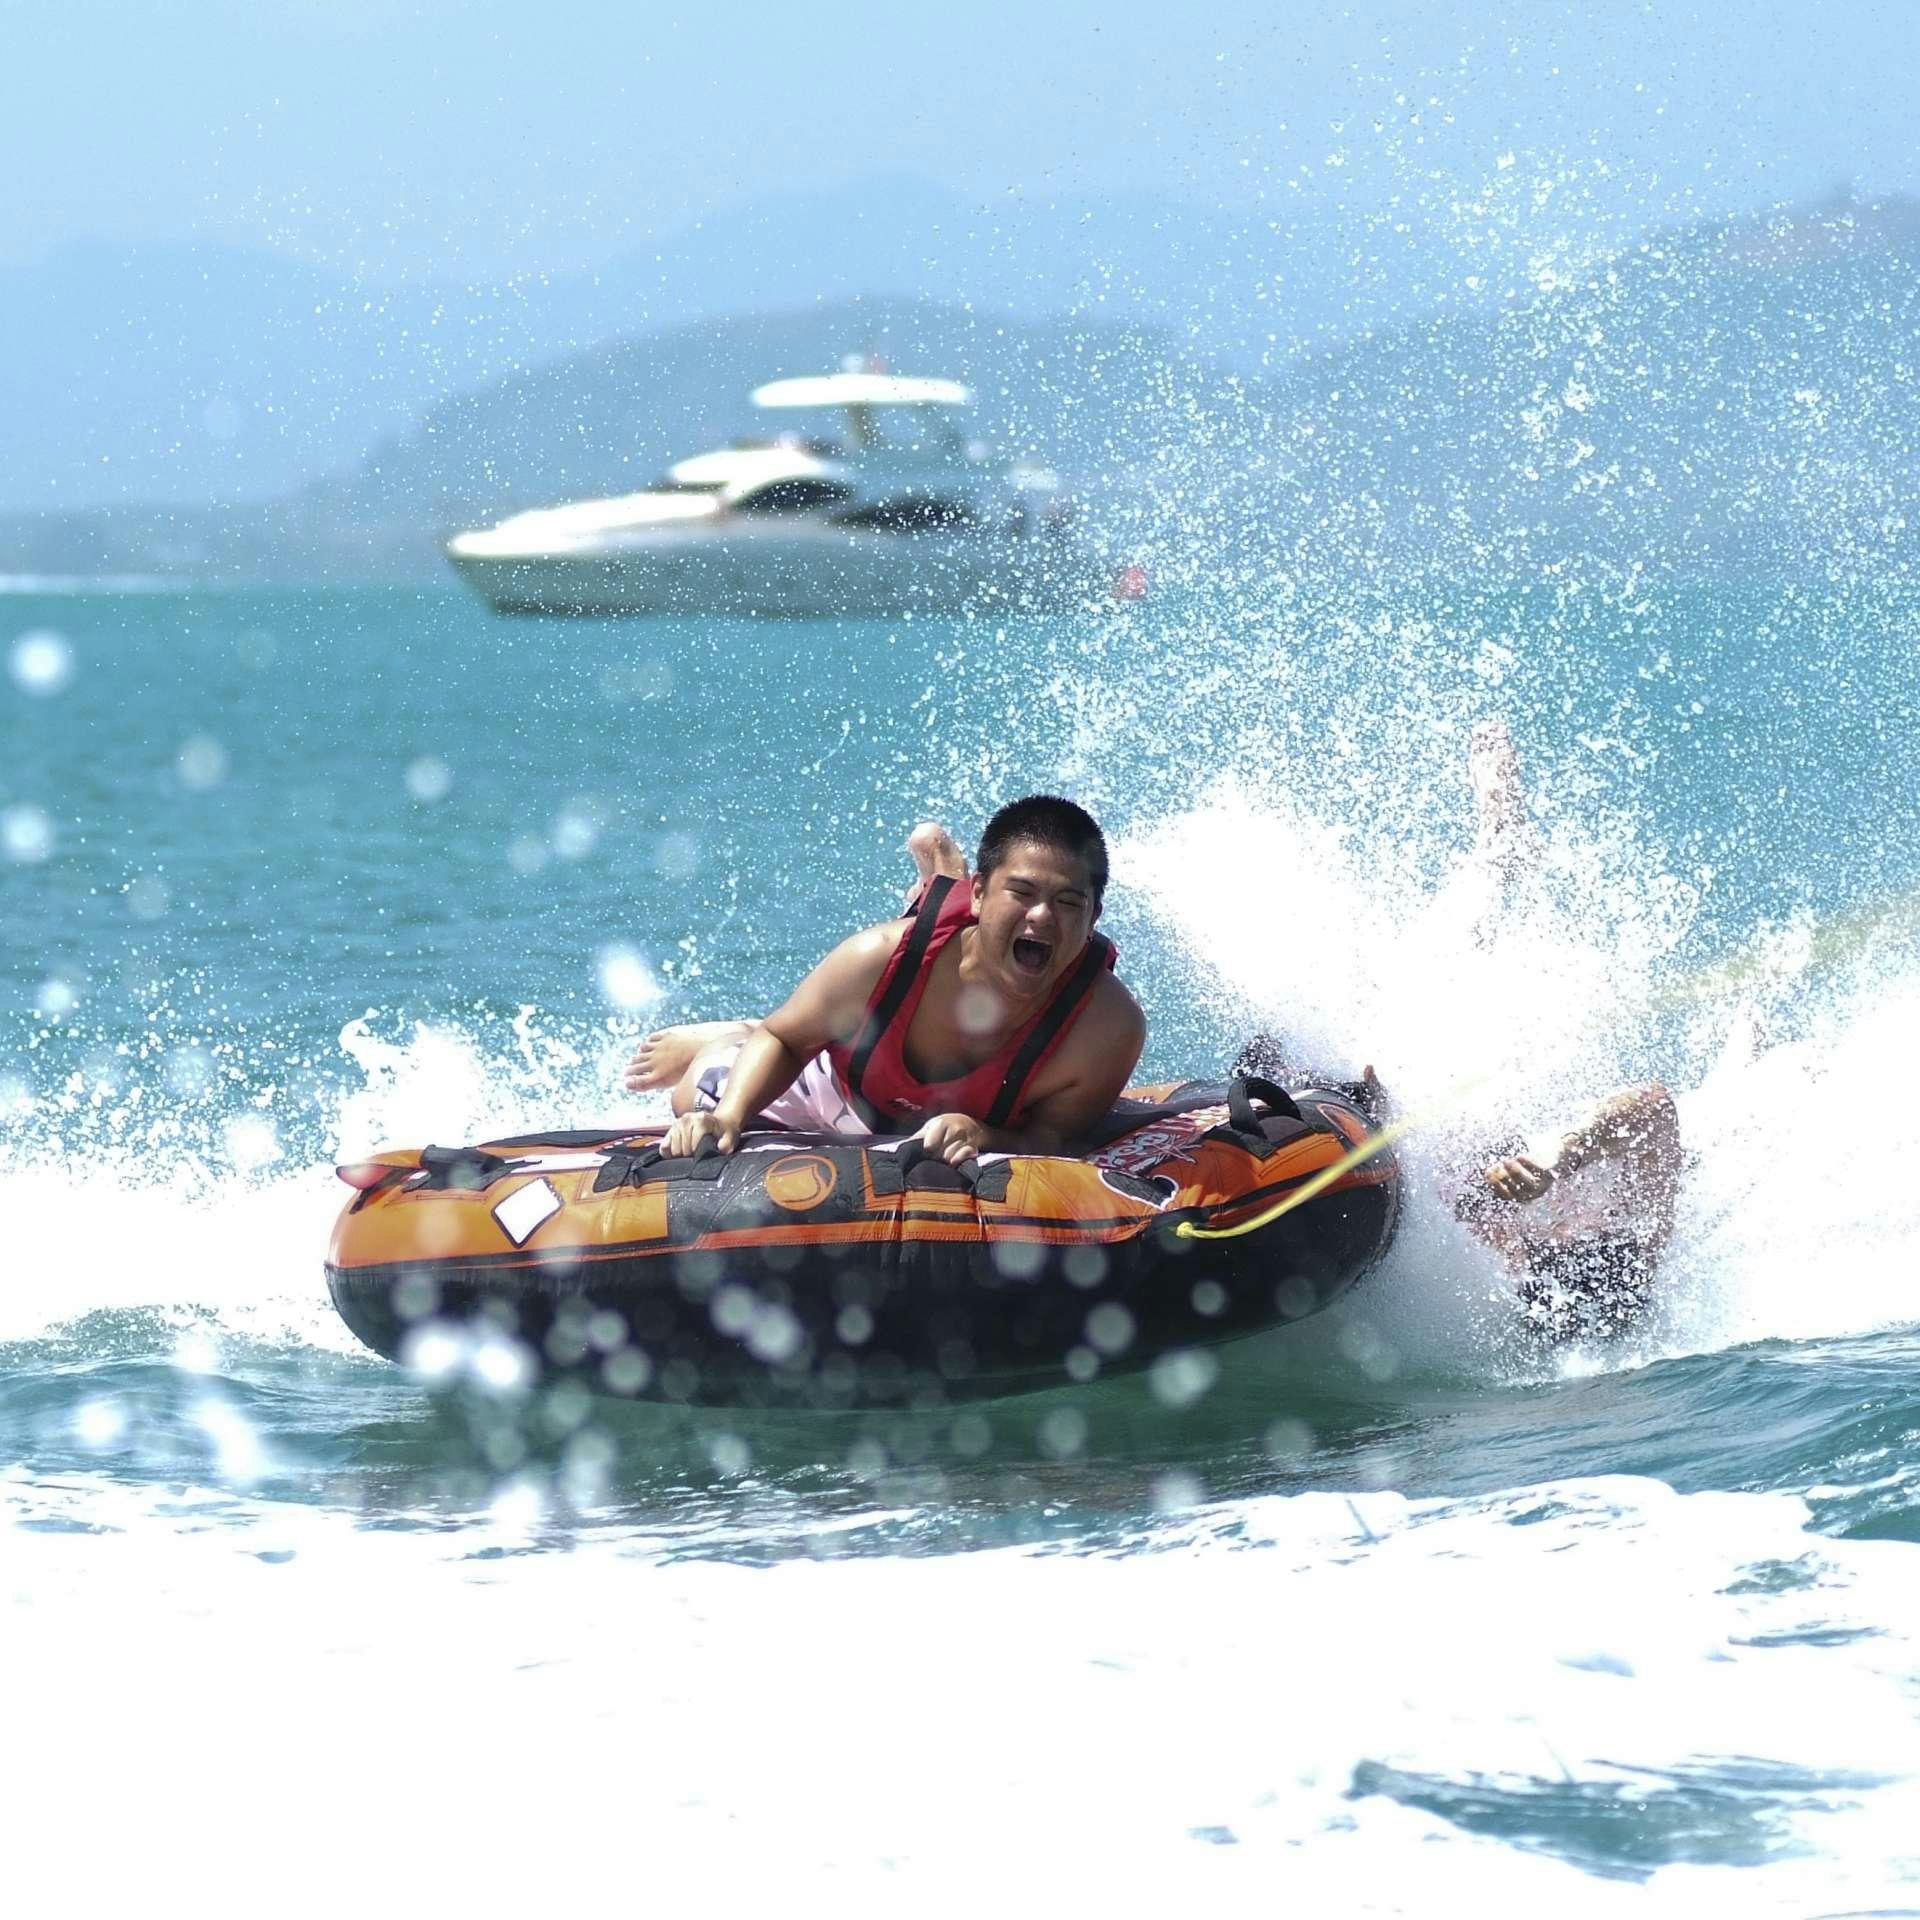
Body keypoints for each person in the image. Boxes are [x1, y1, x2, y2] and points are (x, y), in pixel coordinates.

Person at [628, 796, 1147, 1164]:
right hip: (839, 1085)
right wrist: (731, 1115)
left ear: (1095, 914)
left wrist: (984, 1134)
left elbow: (1056, 1138)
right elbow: (785, 1040)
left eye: (1068, 902)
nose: (1042, 917)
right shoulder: (876, 955)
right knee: (693, 1095)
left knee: (942, 946)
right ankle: (723, 1035)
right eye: (1023, 892)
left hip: (920, 1046)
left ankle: (941, 884)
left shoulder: (1105, 1027)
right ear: (983, 892)